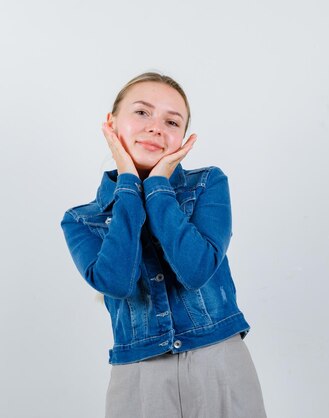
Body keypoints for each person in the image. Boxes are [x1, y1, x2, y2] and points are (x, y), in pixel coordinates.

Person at [60, 72, 267, 417]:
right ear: (111, 124)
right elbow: (117, 282)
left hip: (218, 361)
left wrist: (157, 185)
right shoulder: (82, 219)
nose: (156, 127)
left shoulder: (208, 184)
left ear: (183, 138)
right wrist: (128, 183)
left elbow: (195, 269)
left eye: (172, 121)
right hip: (139, 373)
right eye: (142, 112)